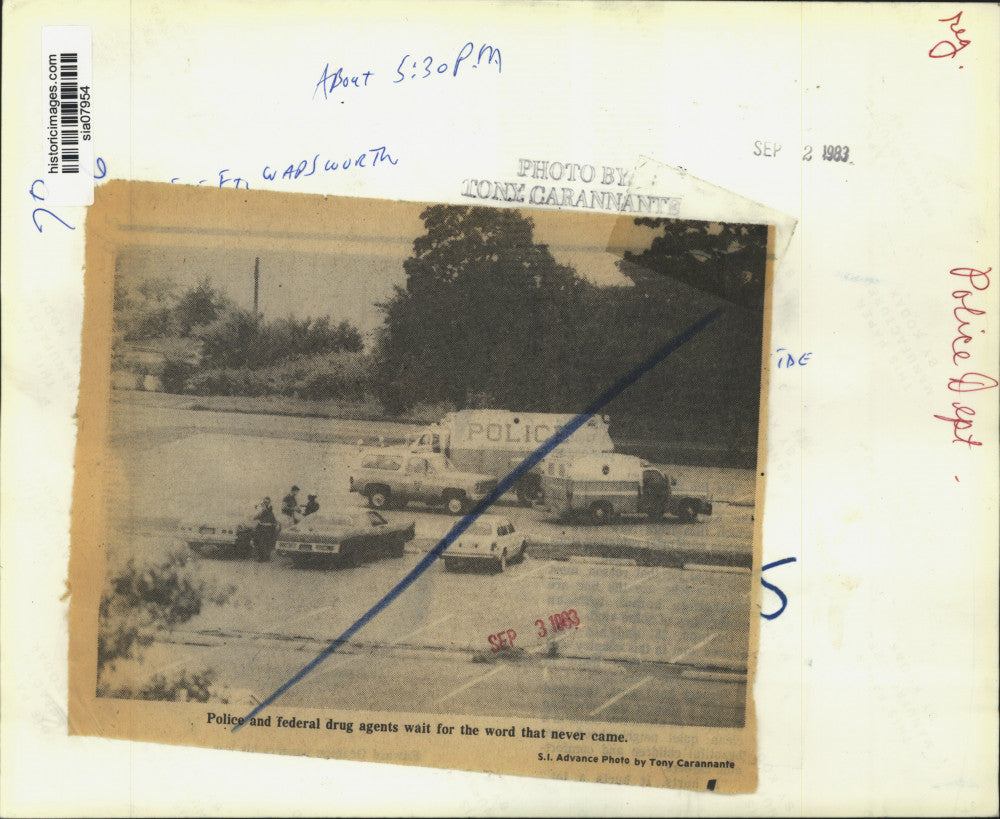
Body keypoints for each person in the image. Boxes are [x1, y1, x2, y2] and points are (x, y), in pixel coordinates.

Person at [252, 497, 278, 562]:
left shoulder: (269, 509)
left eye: (266, 502)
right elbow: (256, 517)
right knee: (261, 543)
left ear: (269, 503)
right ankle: (263, 557)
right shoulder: (263, 510)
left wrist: (262, 507)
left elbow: (267, 512)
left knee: (264, 543)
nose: (264, 503)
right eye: (264, 502)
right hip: (262, 528)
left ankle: (264, 558)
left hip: (268, 529)